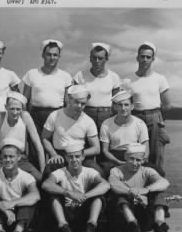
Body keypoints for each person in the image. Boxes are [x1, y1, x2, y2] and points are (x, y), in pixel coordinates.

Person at [42, 142, 110, 232]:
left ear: (83, 157)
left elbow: (106, 185)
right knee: (53, 197)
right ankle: (65, 230)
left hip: (84, 214)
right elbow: (46, 184)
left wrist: (85, 196)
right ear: (66, 158)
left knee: (98, 197)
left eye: (77, 156)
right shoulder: (60, 172)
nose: (74, 160)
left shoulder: (89, 172)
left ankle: (90, 229)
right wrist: (68, 193)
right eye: (71, 157)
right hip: (67, 214)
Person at [108, 143, 174, 232]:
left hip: (145, 217)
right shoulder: (116, 170)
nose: (135, 163)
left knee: (160, 193)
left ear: (143, 160)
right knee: (120, 196)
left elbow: (165, 182)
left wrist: (146, 190)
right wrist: (132, 192)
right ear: (125, 157)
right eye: (131, 159)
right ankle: (134, 230)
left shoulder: (147, 171)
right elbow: (113, 184)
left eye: (138, 160)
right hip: (125, 220)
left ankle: (160, 228)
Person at [122, 42, 172, 173]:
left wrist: (157, 118)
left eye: (148, 57)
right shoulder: (128, 80)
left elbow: (167, 105)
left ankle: (155, 191)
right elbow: (124, 103)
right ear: (137, 57)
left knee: (156, 156)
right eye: (142, 56)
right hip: (135, 118)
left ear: (153, 59)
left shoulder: (160, 79)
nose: (145, 59)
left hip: (155, 118)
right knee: (135, 154)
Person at [0, 91, 45, 182]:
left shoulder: (25, 116)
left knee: (40, 180)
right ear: (6, 107)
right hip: (1, 158)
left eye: (18, 109)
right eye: (12, 109)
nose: (15, 112)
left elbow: (38, 144)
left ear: (22, 109)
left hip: (20, 159)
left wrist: (43, 171)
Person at [41, 85, 103, 177]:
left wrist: (78, 154)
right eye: (76, 102)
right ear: (69, 99)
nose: (79, 106)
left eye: (83, 104)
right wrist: (53, 154)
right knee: (48, 173)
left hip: (81, 155)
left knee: (99, 172)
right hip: (60, 156)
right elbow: (45, 138)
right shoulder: (54, 115)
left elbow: (96, 148)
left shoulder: (88, 121)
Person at [100, 90, 157, 178]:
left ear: (132, 106)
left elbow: (146, 149)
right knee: (104, 172)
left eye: (126, 105)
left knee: (158, 172)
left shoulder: (140, 123)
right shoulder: (106, 124)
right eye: (120, 105)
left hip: (135, 156)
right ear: (116, 107)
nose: (123, 108)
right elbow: (105, 150)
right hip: (115, 157)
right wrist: (118, 162)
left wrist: (138, 162)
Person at [22, 39, 73, 134]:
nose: (52, 58)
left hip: (57, 117)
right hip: (35, 117)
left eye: (55, 55)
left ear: (59, 57)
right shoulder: (31, 74)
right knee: (35, 146)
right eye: (49, 54)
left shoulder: (65, 76)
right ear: (43, 55)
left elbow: (68, 102)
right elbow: (24, 100)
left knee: (55, 146)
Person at [73, 42, 121, 132]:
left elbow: (117, 103)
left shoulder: (114, 77)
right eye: (94, 58)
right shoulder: (80, 76)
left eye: (100, 58)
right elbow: (73, 100)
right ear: (90, 59)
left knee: (106, 144)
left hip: (107, 117)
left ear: (106, 59)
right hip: (86, 116)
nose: (97, 61)